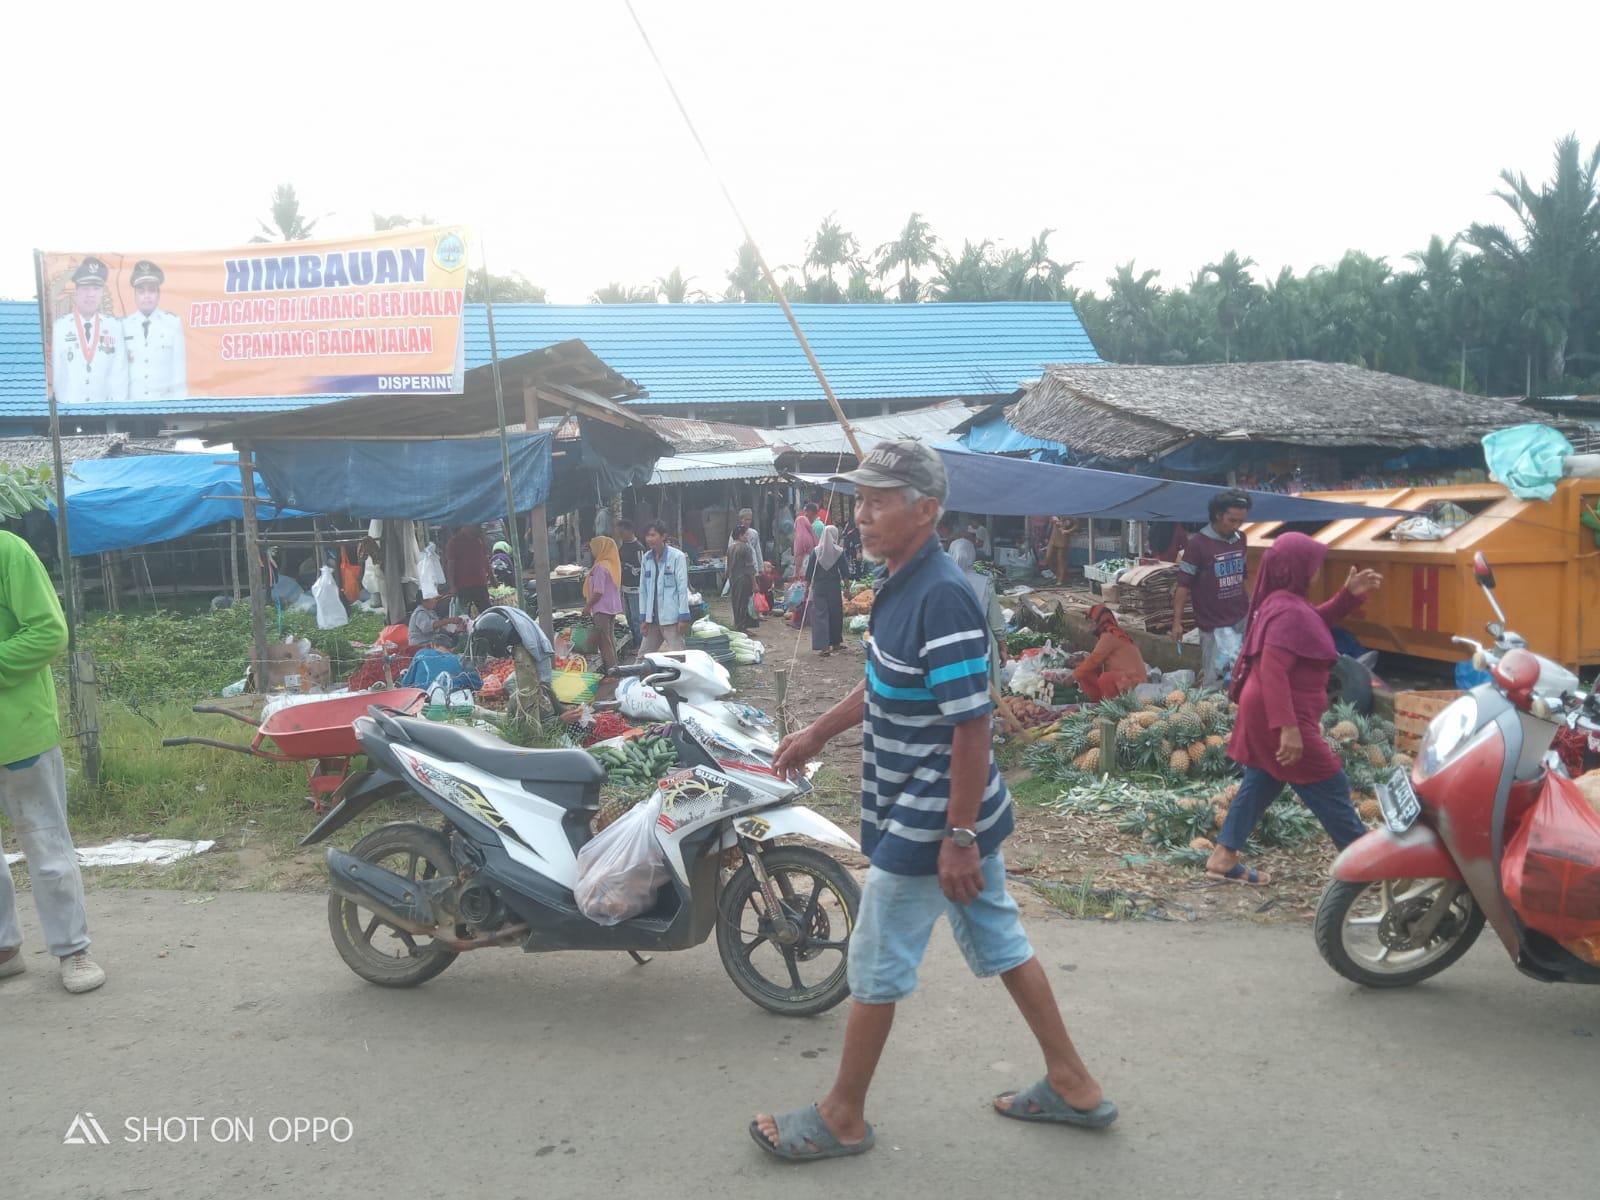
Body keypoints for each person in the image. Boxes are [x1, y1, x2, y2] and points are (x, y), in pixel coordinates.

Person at [753, 440, 1112, 1163]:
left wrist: (958, 836)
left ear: (926, 511)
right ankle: (1073, 1083)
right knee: (1002, 941)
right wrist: (817, 731)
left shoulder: (941, 595)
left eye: (879, 502)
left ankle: (841, 1115)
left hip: (933, 816)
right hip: (947, 811)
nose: (862, 515)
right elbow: (884, 681)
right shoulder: (900, 582)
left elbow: (972, 723)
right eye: (860, 500)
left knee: (876, 959)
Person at [1206, 533, 1382, 885]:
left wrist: (1347, 597)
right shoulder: (1287, 610)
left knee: (1263, 779)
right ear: (1295, 570)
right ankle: (1364, 863)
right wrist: (1287, 728)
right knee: (1330, 781)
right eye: (1313, 565)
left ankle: (1223, 857)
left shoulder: (1284, 603)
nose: (1317, 571)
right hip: (1281, 712)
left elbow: (1310, 623)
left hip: (1266, 709)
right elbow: (1274, 669)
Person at [0, 531, 105, 994]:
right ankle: (5, 950)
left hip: (19, 731)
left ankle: (72, 949)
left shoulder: (8, 551)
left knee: (46, 847)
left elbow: (48, 632)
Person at [1173, 492, 1252, 687]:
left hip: (1241, 619)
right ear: (1218, 515)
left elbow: (1243, 576)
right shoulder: (1198, 544)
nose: (1236, 526)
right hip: (1214, 626)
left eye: (1241, 521)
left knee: (1242, 676)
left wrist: (1251, 608)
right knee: (1216, 681)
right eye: (1232, 520)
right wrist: (1177, 622)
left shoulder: (1241, 539)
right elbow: (1183, 586)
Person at [50, 256, 126, 405]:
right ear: (76, 291)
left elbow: (119, 372)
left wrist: (115, 409)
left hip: (105, 410)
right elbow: (57, 372)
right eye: (85, 288)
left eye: (96, 288)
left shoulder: (114, 327)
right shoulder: (60, 328)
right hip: (69, 410)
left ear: (102, 292)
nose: (91, 294)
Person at [122, 259, 187, 401]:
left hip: (163, 406)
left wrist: (179, 407)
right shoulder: (124, 326)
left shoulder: (173, 323)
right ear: (134, 295)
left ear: (159, 294)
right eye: (141, 291)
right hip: (132, 406)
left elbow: (179, 373)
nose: (146, 296)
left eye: (151, 290)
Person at [948, 536, 1006, 683]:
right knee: (983, 683)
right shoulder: (985, 580)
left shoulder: (942, 580)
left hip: (950, 639)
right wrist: (1002, 647)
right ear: (972, 555)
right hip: (981, 639)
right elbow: (995, 620)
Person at [1072, 604, 1149, 701]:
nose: (1089, 626)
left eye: (1092, 622)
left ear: (1099, 621)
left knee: (1105, 678)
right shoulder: (1108, 635)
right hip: (1122, 678)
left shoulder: (1110, 636)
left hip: (1135, 683)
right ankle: (1097, 701)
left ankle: (1110, 704)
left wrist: (1073, 677)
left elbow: (1094, 660)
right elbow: (1095, 662)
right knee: (1086, 672)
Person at [638, 521, 691, 654]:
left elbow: (682, 588)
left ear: (663, 536)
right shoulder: (646, 558)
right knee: (643, 657)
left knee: (679, 655)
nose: (649, 539)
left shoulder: (677, 556)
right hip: (652, 619)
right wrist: (643, 618)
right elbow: (643, 590)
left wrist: (683, 616)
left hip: (671, 618)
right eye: (647, 535)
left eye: (653, 535)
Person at [582, 536, 624, 670]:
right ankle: (616, 668)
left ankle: (611, 671)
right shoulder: (611, 565)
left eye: (593, 548)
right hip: (611, 607)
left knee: (604, 642)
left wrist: (588, 606)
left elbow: (598, 591)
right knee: (609, 639)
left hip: (601, 608)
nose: (592, 551)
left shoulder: (600, 567)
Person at [805, 525, 846, 656]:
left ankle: (824, 647)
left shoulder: (816, 552)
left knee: (820, 615)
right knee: (835, 614)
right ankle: (836, 643)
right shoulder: (839, 552)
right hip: (834, 587)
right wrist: (847, 588)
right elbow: (845, 571)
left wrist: (807, 589)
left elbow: (809, 572)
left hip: (819, 587)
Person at [445, 525, 492, 613]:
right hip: (463, 586)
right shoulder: (454, 542)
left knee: (487, 612)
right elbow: (451, 566)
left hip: (480, 583)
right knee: (464, 615)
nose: (479, 529)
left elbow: (485, 558)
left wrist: (492, 576)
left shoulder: (479, 539)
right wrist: (452, 586)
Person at [727, 514, 759, 635]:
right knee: (744, 602)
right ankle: (743, 627)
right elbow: (750, 567)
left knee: (736, 602)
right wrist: (754, 583)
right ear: (740, 536)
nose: (747, 537)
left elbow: (728, 566)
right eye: (745, 534)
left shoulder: (730, 548)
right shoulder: (746, 548)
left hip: (733, 579)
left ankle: (738, 624)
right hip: (744, 579)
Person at [616, 520, 644, 646]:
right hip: (625, 588)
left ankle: (641, 644)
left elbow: (643, 569)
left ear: (630, 531)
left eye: (622, 532)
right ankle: (635, 642)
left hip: (636, 589)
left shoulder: (639, 548)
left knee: (637, 618)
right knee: (629, 618)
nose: (620, 535)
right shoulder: (622, 548)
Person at [791, 503, 819, 578]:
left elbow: (798, 555)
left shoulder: (799, 537)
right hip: (812, 564)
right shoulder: (810, 534)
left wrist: (796, 572)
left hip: (803, 567)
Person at [1044, 516, 1074, 582]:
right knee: (1048, 557)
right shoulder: (1055, 514)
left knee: (1060, 559)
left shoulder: (1070, 515)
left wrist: (1068, 530)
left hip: (1063, 538)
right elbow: (1050, 524)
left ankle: (1061, 579)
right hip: (1053, 538)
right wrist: (1047, 536)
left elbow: (1076, 525)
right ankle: (1057, 573)